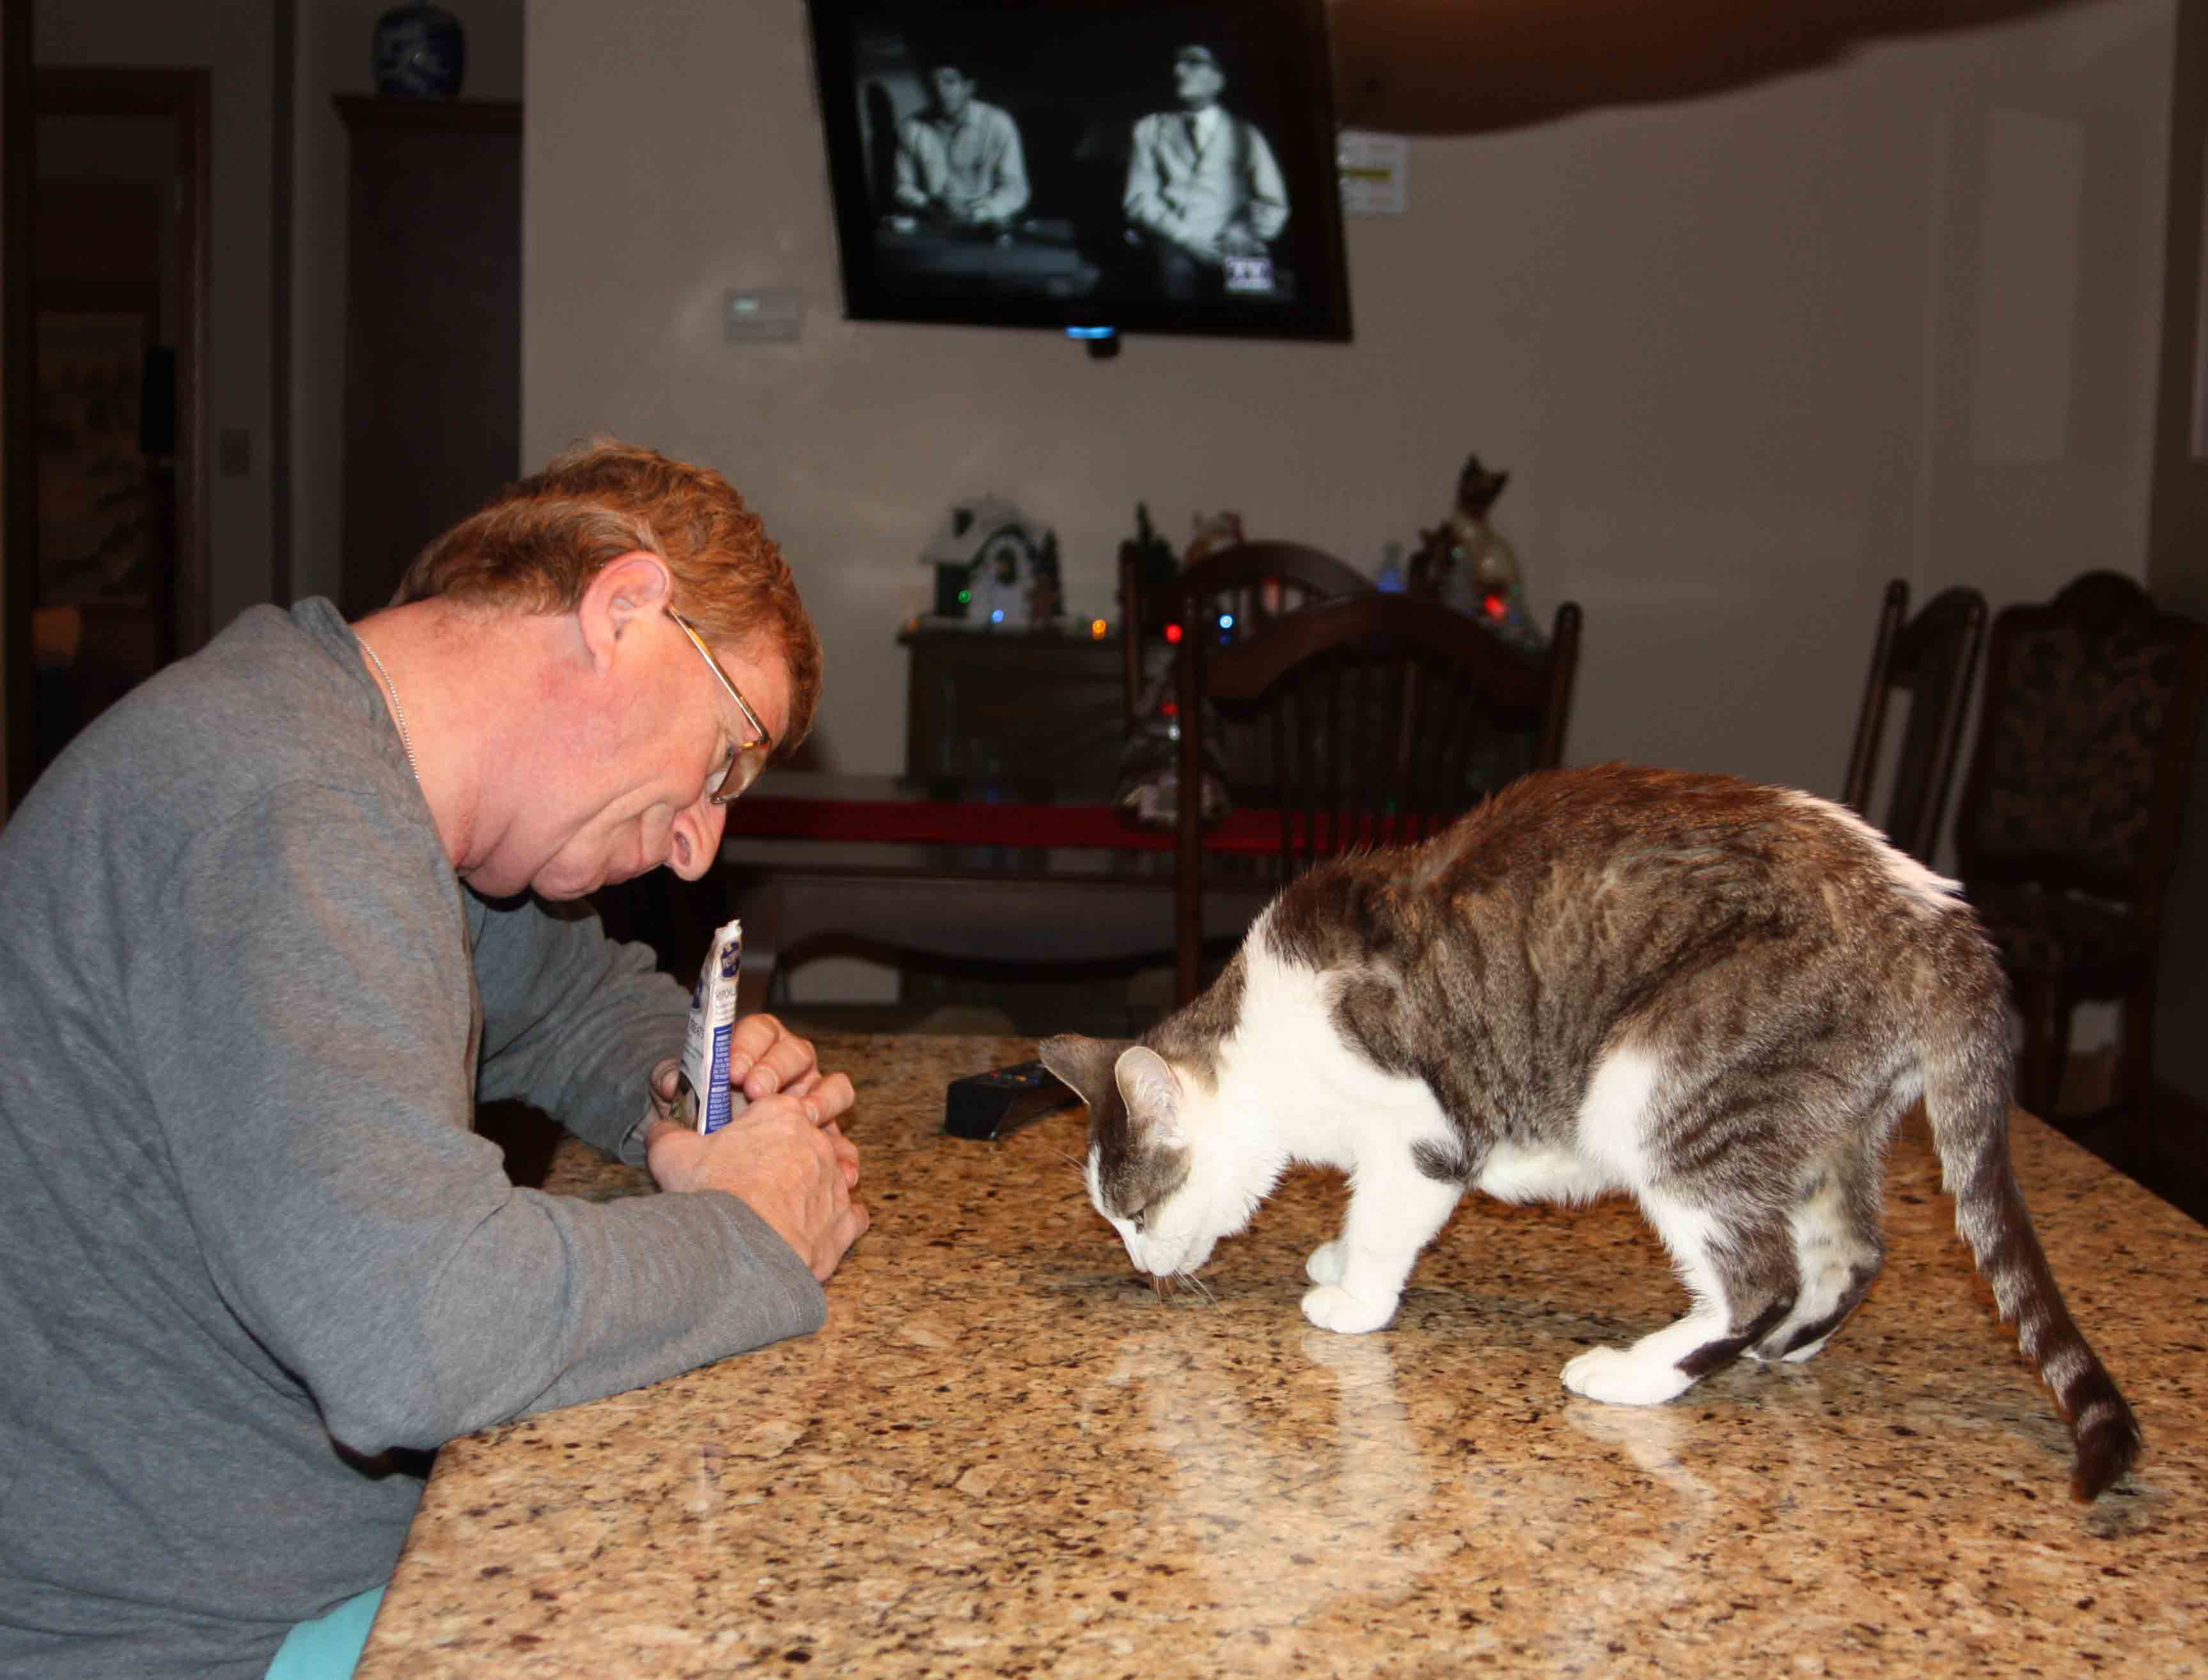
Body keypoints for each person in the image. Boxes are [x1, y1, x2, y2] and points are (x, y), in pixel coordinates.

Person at [0, 441, 869, 1680]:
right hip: (170, 1640)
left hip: (286, 1565)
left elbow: (569, 1003)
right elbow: (419, 1331)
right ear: (624, 611)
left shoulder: (374, 783)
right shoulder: (283, 807)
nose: (696, 844)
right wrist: (754, 1230)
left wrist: (692, 1092)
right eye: (726, 755)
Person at [1121, 43, 1290, 299]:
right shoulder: (1150, 130)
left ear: (1219, 79)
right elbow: (1140, 200)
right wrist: (1187, 238)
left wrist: (1245, 228)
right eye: (1177, 64)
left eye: (1193, 63)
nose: (1179, 70)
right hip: (1174, 242)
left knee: (1258, 306)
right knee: (1173, 286)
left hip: (1237, 243)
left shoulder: (1246, 135)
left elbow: (1273, 203)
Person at [888, 55, 1030, 233]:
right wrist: (931, 205)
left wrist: (978, 212)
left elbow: (1016, 188)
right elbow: (902, 186)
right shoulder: (911, 128)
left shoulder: (998, 123)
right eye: (933, 84)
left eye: (950, 82)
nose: (940, 91)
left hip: (987, 224)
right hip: (933, 224)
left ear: (969, 87)